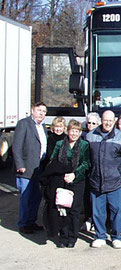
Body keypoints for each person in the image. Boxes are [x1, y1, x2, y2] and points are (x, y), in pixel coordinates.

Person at [86, 110, 121, 249]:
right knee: (98, 211)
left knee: (117, 212)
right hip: (96, 181)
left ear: (114, 121)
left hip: (116, 182)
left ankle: (116, 237)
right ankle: (100, 236)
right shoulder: (91, 136)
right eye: (105, 120)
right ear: (101, 120)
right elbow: (86, 159)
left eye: (110, 120)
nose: (107, 123)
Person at [41, 120, 90, 248]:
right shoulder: (60, 144)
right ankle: (63, 236)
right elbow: (53, 161)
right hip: (62, 180)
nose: (74, 133)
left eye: (77, 131)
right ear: (67, 131)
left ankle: (72, 237)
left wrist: (74, 174)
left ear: (80, 133)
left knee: (74, 210)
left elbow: (86, 163)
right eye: (72, 131)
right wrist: (62, 174)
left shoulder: (85, 145)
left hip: (77, 181)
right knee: (63, 209)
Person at [12, 102, 48, 234]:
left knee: (36, 197)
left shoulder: (42, 127)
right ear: (32, 110)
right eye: (39, 110)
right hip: (26, 168)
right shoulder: (24, 124)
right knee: (26, 197)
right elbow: (16, 147)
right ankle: (23, 224)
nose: (41, 113)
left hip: (39, 168)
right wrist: (20, 165)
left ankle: (31, 221)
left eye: (44, 111)